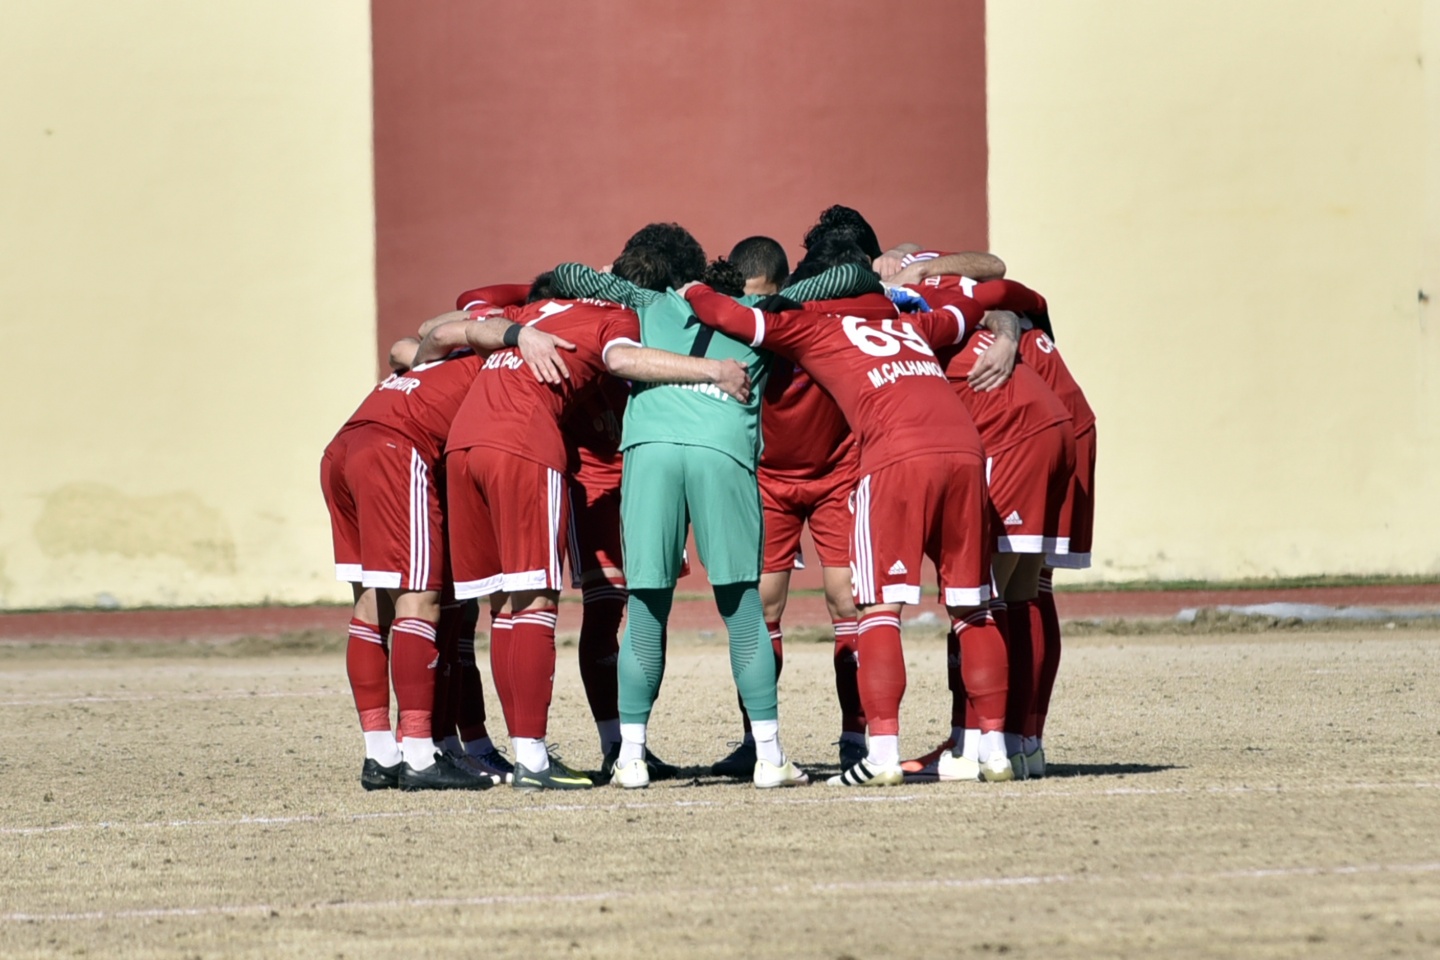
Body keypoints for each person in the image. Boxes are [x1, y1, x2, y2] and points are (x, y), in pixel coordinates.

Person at [682, 257, 1021, 786]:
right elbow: (983, 296)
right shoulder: (911, 324)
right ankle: (996, 752)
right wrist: (1007, 328)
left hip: (891, 457)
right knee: (975, 605)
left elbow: (729, 316)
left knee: (877, 606)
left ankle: (879, 753)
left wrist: (690, 284)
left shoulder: (815, 324)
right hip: (964, 451)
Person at [425, 261, 752, 791]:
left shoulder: (529, 311)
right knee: (534, 604)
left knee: (506, 606)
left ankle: (551, 751)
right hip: (530, 449)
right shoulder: (614, 317)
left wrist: (523, 324)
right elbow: (624, 357)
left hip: (464, 445)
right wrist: (714, 371)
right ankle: (532, 761)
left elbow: (435, 331)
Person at [547, 231, 815, 790]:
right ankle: (768, 757)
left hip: (650, 452)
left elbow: (568, 272)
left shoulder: (648, 300)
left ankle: (631, 759)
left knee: (646, 606)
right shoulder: (766, 312)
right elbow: (839, 281)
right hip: (722, 449)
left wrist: (612, 273)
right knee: (742, 607)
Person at [320, 304, 562, 791]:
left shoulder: (435, 357)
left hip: (345, 445)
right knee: (420, 600)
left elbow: (409, 343)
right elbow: (449, 331)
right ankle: (419, 756)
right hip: (396, 448)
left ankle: (381, 755)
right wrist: (517, 334)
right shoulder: (500, 362)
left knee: (372, 601)